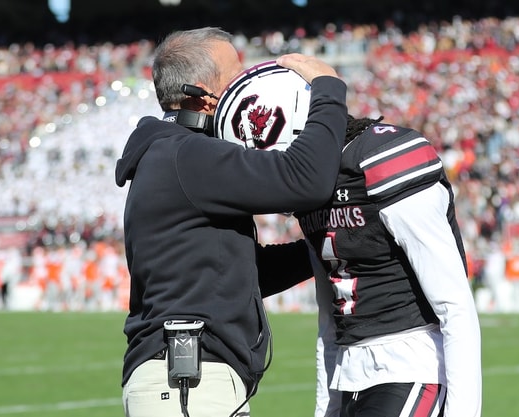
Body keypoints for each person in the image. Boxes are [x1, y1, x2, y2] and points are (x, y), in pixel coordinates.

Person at [114, 27, 348, 417]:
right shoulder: (186, 154)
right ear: (203, 94)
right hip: (188, 379)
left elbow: (237, 273)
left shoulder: (172, 154)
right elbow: (306, 179)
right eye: (234, 77)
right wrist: (328, 88)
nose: (245, 84)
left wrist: (325, 247)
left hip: (191, 377)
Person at [295, 115, 483, 417]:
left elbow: (455, 304)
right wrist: (327, 407)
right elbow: (330, 319)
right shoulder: (315, 191)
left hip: (409, 365)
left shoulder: (382, 161)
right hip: (350, 375)